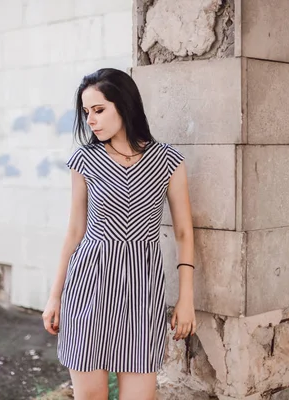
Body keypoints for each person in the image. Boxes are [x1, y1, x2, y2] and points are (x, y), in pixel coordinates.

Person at [42, 68, 196, 400]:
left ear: (123, 105)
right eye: (86, 113)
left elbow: (184, 232)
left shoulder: (168, 161)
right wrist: (55, 296)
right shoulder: (84, 161)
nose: (91, 121)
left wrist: (186, 299)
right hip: (88, 286)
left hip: (143, 289)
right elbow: (74, 232)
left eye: (99, 110)